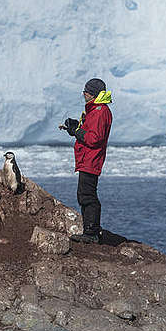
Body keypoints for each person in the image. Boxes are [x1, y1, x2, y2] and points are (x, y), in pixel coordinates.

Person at [59, 78, 113, 243]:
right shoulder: (95, 110)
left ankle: (91, 233)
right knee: (85, 194)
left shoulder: (99, 111)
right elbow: (88, 132)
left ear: (94, 94)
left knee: (87, 195)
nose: (84, 94)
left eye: (87, 91)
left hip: (91, 159)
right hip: (87, 158)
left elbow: (94, 138)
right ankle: (91, 230)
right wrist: (75, 128)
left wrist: (77, 131)